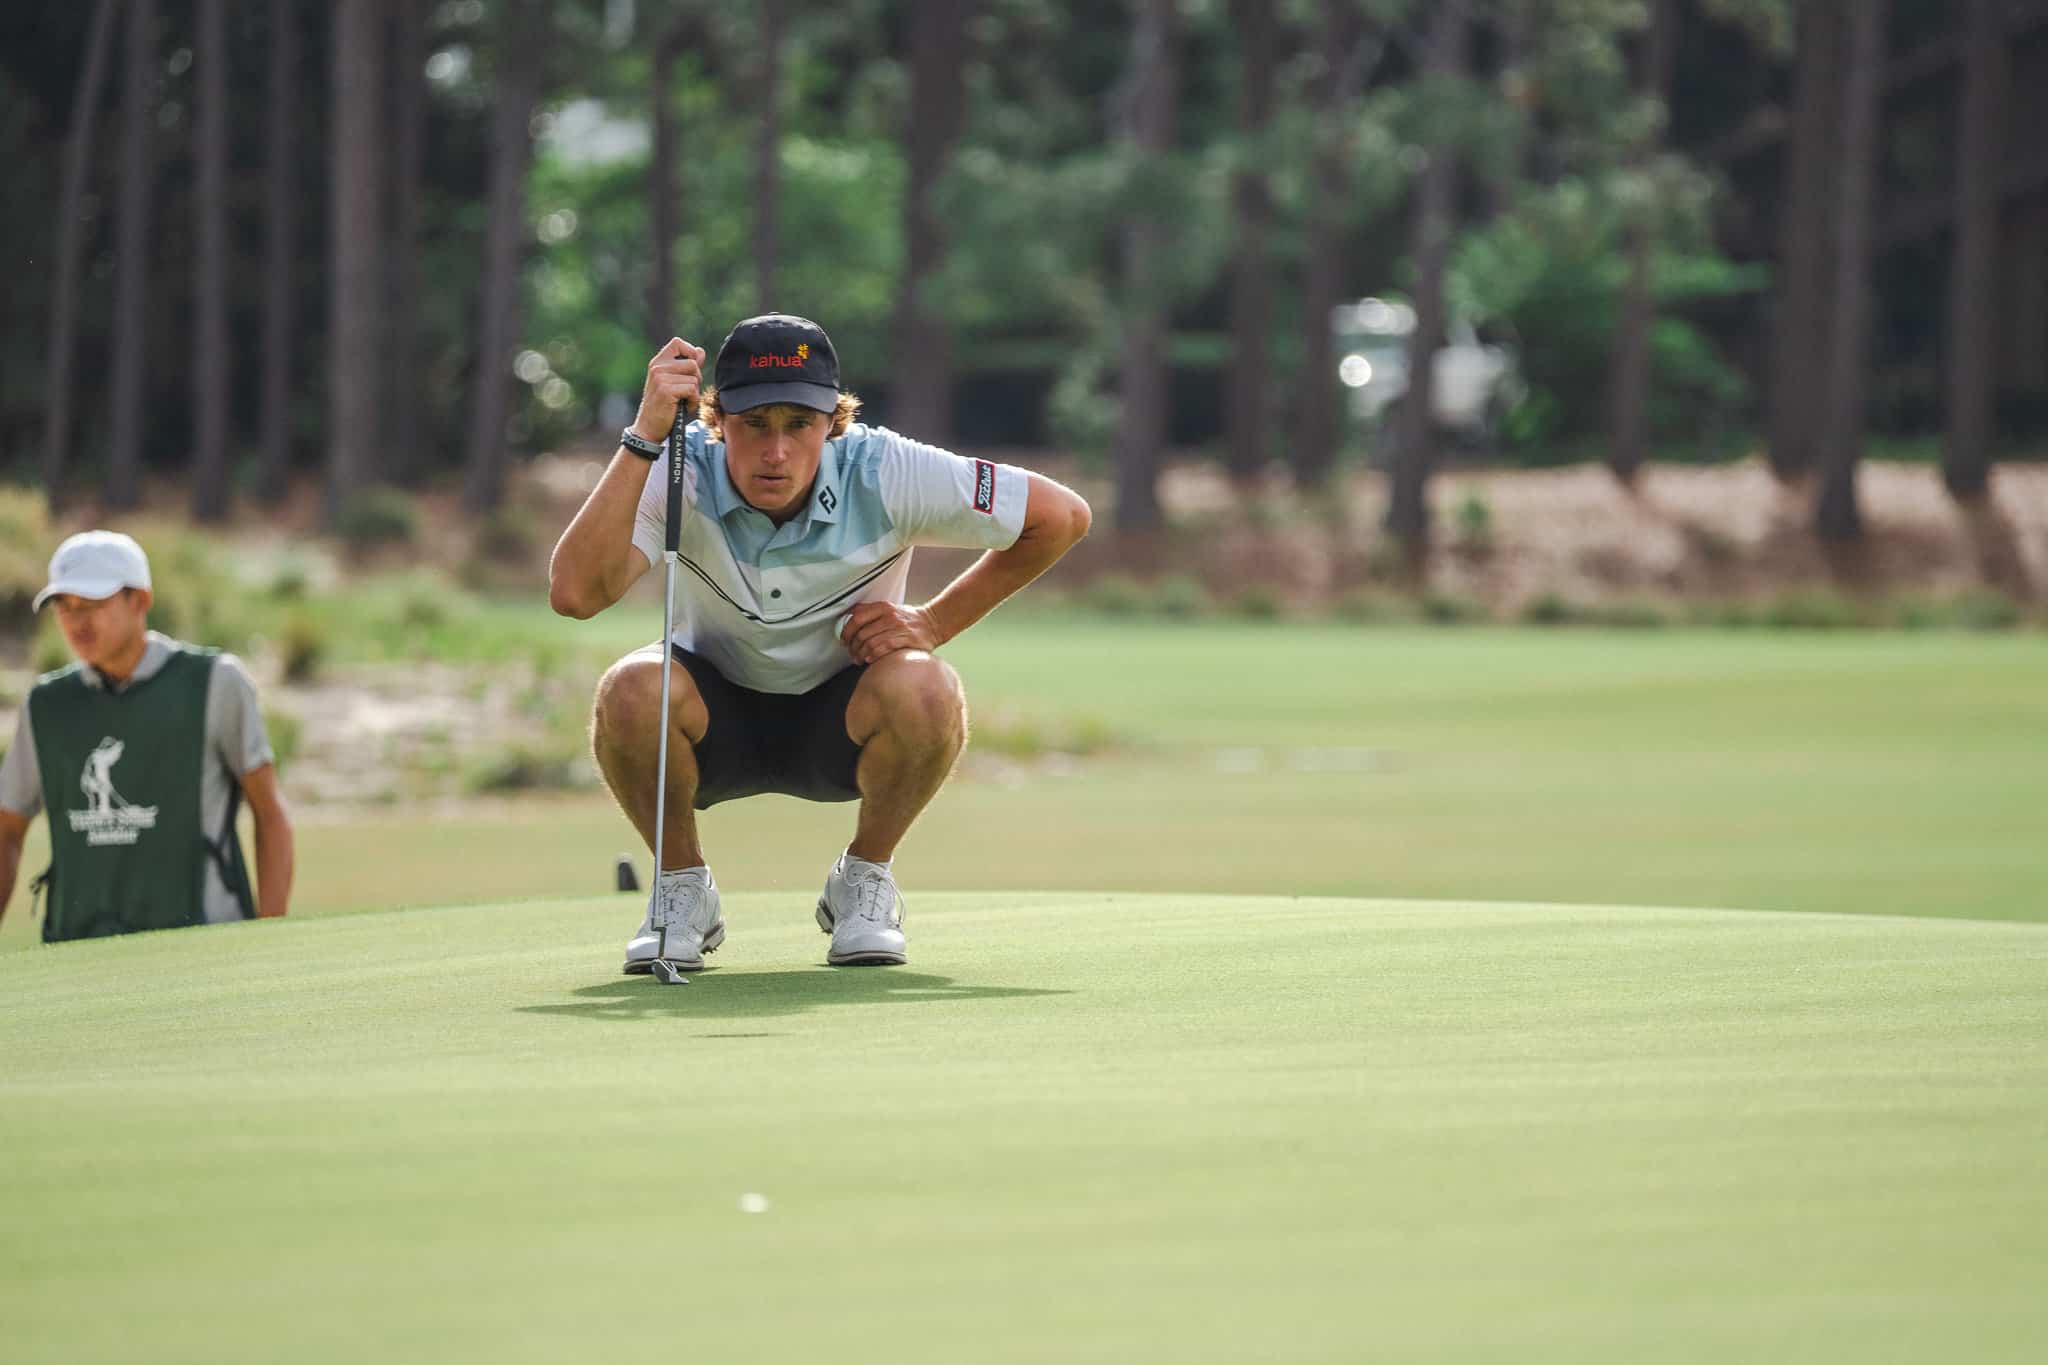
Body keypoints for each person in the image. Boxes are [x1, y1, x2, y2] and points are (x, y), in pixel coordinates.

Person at [549, 314, 1091, 971]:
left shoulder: (887, 468)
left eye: (799, 425)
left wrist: (934, 623)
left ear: (834, 422)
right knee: (630, 689)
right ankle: (681, 888)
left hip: (844, 721)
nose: (776, 452)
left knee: (927, 684)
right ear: (717, 421)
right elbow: (576, 594)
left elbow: (1061, 516)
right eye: (754, 425)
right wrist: (644, 438)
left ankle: (863, 879)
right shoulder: (678, 469)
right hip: (712, 721)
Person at [0, 531, 295, 941]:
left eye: (93, 603)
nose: (77, 620)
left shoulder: (215, 682)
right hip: (77, 954)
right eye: (64, 606)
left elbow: (270, 812)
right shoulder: (45, 704)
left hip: (204, 945)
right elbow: (7, 829)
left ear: (140, 600)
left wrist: (272, 937)